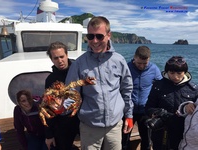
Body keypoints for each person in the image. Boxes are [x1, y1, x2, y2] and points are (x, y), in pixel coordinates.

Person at [65, 16, 134, 150]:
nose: (94, 41)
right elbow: (71, 94)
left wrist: (129, 115)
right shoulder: (79, 64)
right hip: (89, 127)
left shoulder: (119, 61)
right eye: (90, 36)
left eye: (99, 36)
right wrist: (61, 108)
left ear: (109, 35)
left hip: (115, 125)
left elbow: (127, 89)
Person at [145, 56, 198, 150]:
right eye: (172, 73)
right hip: (161, 131)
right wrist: (157, 112)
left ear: (185, 72)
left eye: (179, 73)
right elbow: (148, 107)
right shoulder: (158, 86)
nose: (175, 76)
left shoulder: (193, 89)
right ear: (166, 72)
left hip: (183, 132)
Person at [122, 46, 162, 150]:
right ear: (134, 57)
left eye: (145, 63)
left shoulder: (154, 69)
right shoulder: (126, 68)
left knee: (147, 140)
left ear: (149, 59)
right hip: (128, 111)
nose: (142, 66)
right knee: (124, 139)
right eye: (139, 63)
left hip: (145, 111)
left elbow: (161, 88)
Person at [44, 41, 80, 150]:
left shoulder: (79, 71)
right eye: (56, 58)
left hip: (83, 118)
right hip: (63, 121)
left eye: (62, 56)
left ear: (67, 55)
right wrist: (49, 134)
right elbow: (48, 107)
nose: (60, 60)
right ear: (51, 60)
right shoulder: (51, 80)